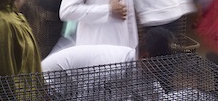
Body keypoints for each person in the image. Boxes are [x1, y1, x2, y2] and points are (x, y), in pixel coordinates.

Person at [40, 26, 175, 72]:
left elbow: (154, 93)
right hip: (50, 83)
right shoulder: (113, 66)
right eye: (160, 66)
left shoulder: (137, 64)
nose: (160, 72)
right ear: (146, 58)